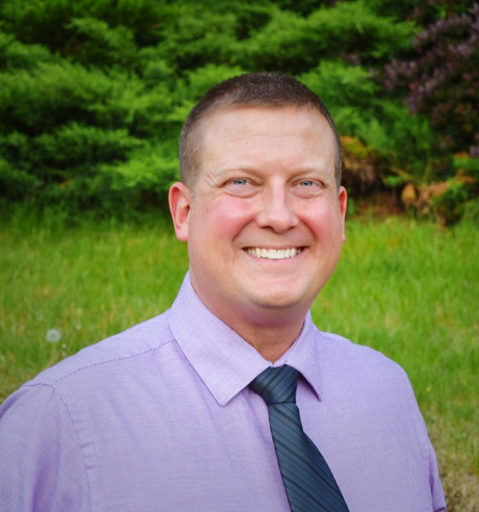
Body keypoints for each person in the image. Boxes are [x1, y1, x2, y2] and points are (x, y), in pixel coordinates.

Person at [0, 72, 446, 511]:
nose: (279, 216)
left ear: (341, 212)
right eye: (241, 182)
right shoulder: (59, 423)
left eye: (307, 184)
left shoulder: (388, 392)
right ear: (184, 212)